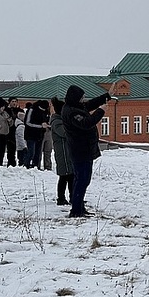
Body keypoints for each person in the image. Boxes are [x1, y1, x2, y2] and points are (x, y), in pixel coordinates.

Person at [62, 85, 111, 218]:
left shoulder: (76, 106)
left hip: (84, 149)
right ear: (75, 98)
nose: (83, 100)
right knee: (82, 179)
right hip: (80, 150)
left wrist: (106, 96)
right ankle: (76, 210)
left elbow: (90, 104)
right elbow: (86, 123)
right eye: (82, 97)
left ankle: (79, 207)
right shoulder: (71, 112)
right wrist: (101, 111)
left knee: (83, 179)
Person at [49, 97, 74, 206]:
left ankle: (73, 197)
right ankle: (61, 198)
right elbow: (65, 133)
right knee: (65, 176)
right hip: (63, 153)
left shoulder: (61, 120)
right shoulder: (57, 122)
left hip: (67, 152)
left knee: (71, 176)